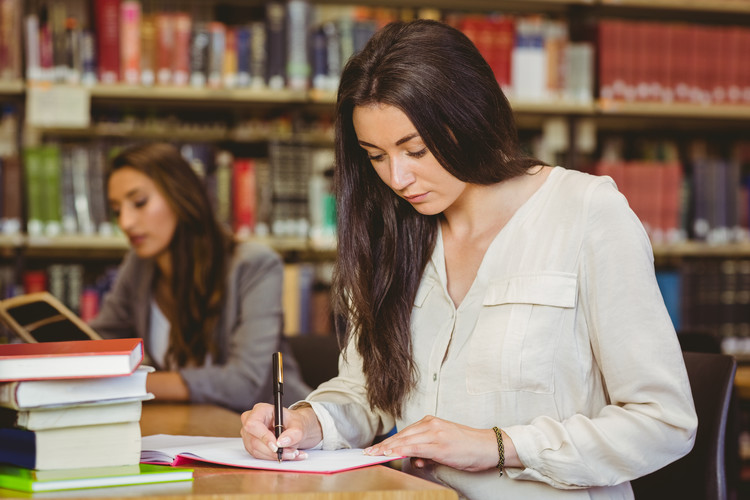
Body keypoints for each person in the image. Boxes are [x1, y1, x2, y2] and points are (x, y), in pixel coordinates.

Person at [239, 19, 697, 499]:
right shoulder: (390, 231)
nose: (397, 177)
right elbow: (365, 393)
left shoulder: (586, 213)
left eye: (415, 149)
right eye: (375, 156)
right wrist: (305, 423)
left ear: (470, 115)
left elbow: (664, 422)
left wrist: (498, 445)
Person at [90, 142, 311, 413]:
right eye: (117, 210)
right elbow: (99, 340)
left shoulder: (255, 265)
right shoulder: (139, 266)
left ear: (179, 196)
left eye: (139, 202)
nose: (126, 222)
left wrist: (130, 384)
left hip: (278, 434)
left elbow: (242, 384)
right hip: (194, 428)